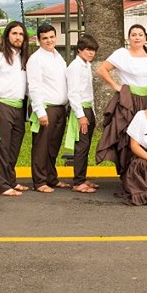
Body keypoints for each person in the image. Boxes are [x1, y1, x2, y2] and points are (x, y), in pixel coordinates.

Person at [96, 25, 147, 177]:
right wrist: (116, 86)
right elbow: (102, 69)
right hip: (129, 101)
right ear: (128, 38)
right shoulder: (122, 54)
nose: (137, 37)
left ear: (146, 37)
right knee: (128, 135)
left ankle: (146, 172)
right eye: (133, 35)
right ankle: (128, 173)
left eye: (140, 34)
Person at [0, 21, 30, 197]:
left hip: (19, 108)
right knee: (1, 148)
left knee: (14, 147)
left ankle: (11, 180)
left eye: (21, 34)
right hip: (2, 107)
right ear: (7, 36)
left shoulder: (24, 58)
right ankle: (3, 185)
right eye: (14, 33)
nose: (18, 37)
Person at [26, 24, 70, 193]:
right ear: (38, 40)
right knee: (41, 146)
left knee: (53, 147)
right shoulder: (36, 59)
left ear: (56, 37)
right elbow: (34, 86)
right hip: (45, 108)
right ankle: (40, 181)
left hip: (60, 109)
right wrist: (40, 111)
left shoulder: (58, 57)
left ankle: (52, 178)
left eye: (51, 37)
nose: (49, 40)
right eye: (44, 38)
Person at [64, 34, 100, 194]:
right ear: (79, 50)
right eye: (88, 50)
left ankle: (83, 177)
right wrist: (81, 115)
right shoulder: (75, 67)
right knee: (81, 146)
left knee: (86, 146)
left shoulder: (86, 65)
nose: (91, 53)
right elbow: (73, 93)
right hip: (80, 110)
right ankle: (78, 182)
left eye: (93, 50)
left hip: (88, 108)